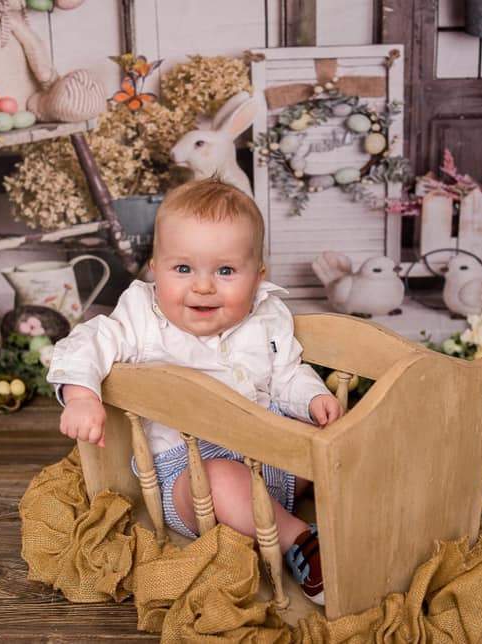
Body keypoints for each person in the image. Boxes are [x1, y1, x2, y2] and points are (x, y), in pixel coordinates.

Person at [47, 179, 343, 605]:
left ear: (258, 277)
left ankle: (353, 507)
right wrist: (80, 395)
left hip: (271, 457)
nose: (203, 286)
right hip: (192, 476)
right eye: (183, 269)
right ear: (155, 268)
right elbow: (88, 342)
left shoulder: (267, 314)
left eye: (225, 271)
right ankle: (299, 541)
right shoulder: (143, 319)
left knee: (329, 442)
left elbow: (288, 372)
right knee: (224, 480)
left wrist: (313, 399)